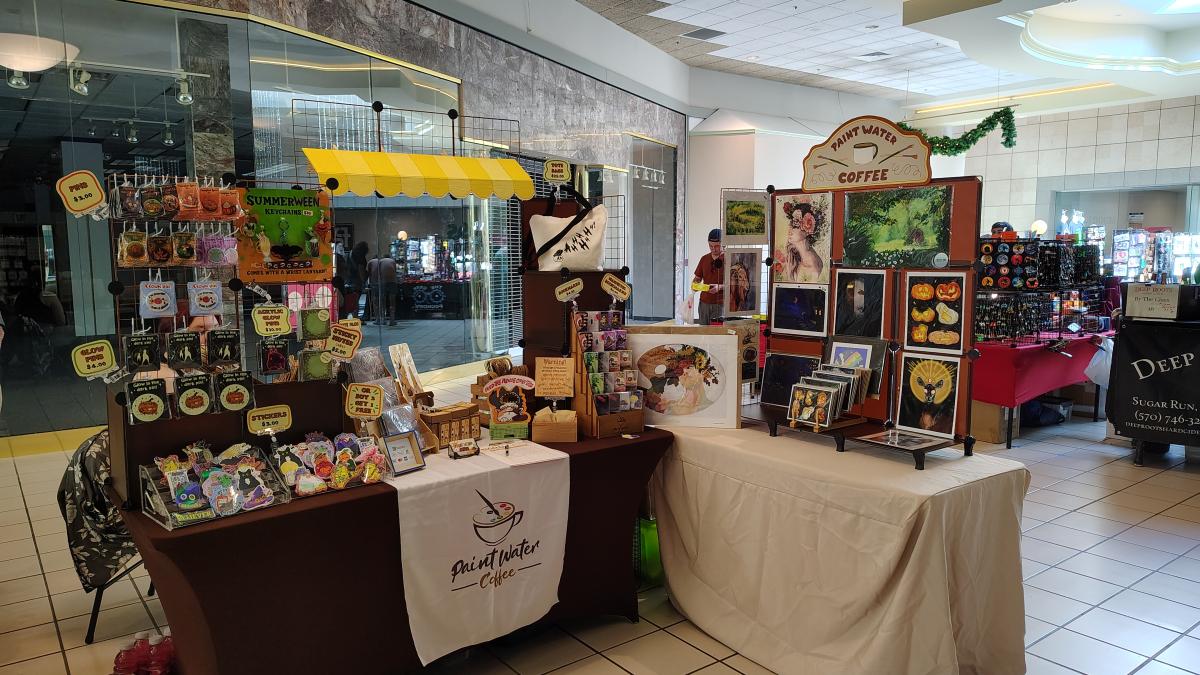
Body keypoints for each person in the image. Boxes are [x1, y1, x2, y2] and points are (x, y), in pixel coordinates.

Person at [778, 201, 824, 282]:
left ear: (808, 230)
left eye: (795, 226)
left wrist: (790, 275)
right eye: (791, 224)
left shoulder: (810, 264)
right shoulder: (798, 257)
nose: (790, 230)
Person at [692, 229, 724, 325]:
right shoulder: (704, 259)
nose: (713, 249)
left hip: (721, 304)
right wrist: (695, 285)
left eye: (717, 246)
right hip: (704, 303)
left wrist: (720, 287)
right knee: (703, 331)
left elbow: (735, 285)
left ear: (723, 244)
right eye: (710, 246)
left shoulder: (730, 259)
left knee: (717, 332)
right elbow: (697, 279)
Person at [367, 254, 399, 326]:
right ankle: (392, 320)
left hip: (382, 282)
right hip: (392, 282)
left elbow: (375, 272)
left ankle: (382, 320)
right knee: (392, 302)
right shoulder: (392, 261)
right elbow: (394, 271)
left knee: (382, 301)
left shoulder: (379, 261)